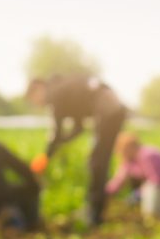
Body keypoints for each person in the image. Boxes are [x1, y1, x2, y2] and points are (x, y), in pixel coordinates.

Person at [26, 74, 127, 225]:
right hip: (113, 107)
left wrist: (45, 157)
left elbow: (57, 133)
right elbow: (78, 128)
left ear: (39, 88)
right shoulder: (63, 89)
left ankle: (94, 214)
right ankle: (95, 210)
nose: (38, 104)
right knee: (99, 160)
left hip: (106, 107)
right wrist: (61, 142)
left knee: (97, 162)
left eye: (34, 100)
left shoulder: (53, 93)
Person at [105, 132, 160, 205]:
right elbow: (119, 179)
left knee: (154, 209)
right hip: (151, 186)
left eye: (121, 150)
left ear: (129, 147)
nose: (120, 154)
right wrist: (106, 193)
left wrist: (139, 193)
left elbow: (158, 180)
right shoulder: (129, 160)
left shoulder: (147, 155)